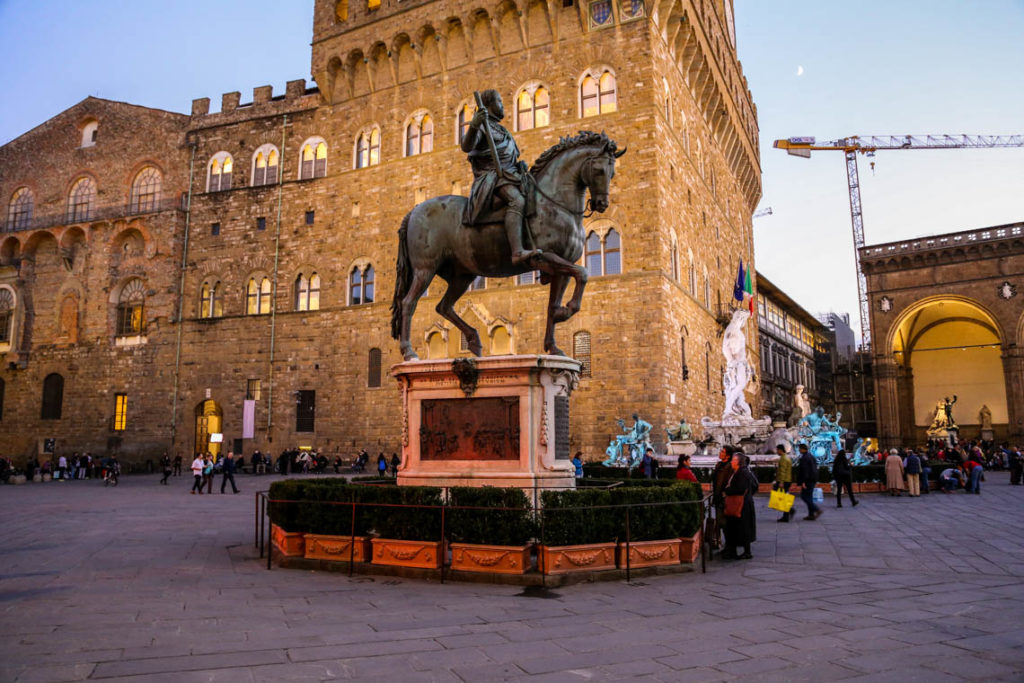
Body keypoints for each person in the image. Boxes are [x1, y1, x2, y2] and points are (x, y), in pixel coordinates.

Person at [461, 89, 540, 265]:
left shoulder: (502, 131)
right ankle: (517, 252)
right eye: (499, 101)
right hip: (492, 177)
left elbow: (509, 158)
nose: (503, 105)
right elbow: (467, 146)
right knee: (517, 201)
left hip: (509, 175)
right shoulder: (483, 125)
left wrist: (518, 165)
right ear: (489, 104)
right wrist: (474, 124)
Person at [721, 453, 758, 560]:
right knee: (739, 528)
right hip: (744, 503)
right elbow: (755, 486)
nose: (731, 462)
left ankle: (745, 552)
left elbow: (740, 489)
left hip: (742, 505)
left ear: (738, 462)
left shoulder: (742, 473)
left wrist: (727, 491)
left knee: (742, 527)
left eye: (733, 460)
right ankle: (737, 551)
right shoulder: (742, 471)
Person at [795, 443, 822, 520]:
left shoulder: (805, 458)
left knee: (804, 496)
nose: (799, 450)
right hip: (812, 479)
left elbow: (805, 470)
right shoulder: (811, 456)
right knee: (809, 497)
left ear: (803, 449)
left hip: (808, 480)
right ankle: (811, 514)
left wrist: (803, 482)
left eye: (800, 449)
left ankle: (816, 509)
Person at [773, 444, 794, 522]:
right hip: (787, 480)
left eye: (777, 450)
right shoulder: (786, 457)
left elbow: (783, 471)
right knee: (783, 498)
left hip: (783, 481)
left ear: (780, 450)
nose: (776, 452)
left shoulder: (783, 459)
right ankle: (789, 511)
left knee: (782, 498)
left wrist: (781, 482)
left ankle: (788, 513)